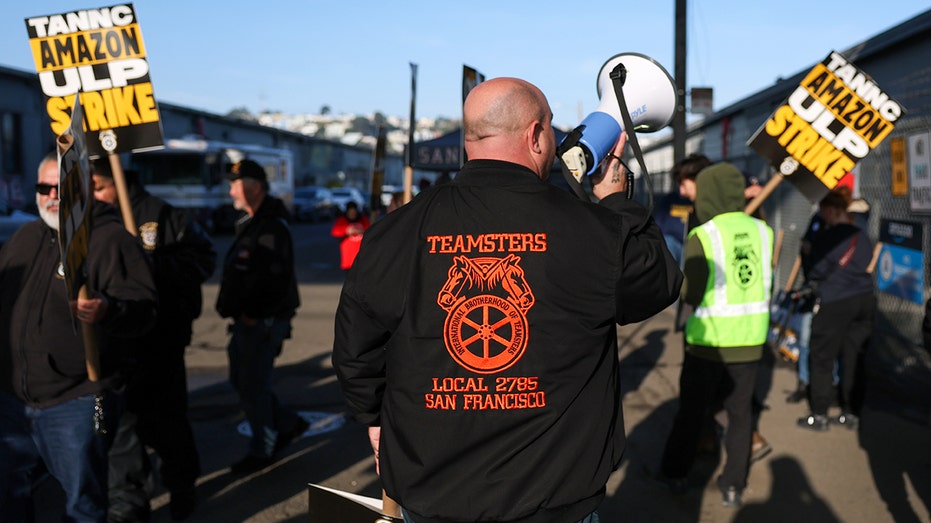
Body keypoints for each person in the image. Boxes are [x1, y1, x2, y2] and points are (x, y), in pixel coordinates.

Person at [332, 77, 682, 522]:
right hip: (553, 503)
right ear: (536, 135)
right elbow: (659, 282)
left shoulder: (394, 232)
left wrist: (375, 419)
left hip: (431, 497)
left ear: (470, 137)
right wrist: (615, 203)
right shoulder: (592, 230)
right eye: (551, 132)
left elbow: (355, 348)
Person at [0, 151, 158, 521]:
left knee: (82, 503)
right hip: (12, 400)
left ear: (85, 188)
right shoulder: (24, 237)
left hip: (77, 400)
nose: (52, 195)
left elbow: (146, 311)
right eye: (44, 187)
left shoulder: (110, 239)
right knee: (9, 493)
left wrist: (109, 310)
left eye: (62, 186)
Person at [92, 163, 216, 521]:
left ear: (117, 181)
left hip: (160, 340)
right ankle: (129, 501)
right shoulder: (93, 220)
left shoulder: (163, 215)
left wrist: (151, 264)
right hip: (115, 342)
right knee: (124, 426)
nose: (94, 195)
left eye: (99, 187)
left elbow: (203, 259)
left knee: (167, 421)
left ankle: (182, 486)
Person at [659, 162, 774, 508]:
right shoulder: (763, 231)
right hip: (751, 342)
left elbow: (690, 294)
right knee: (740, 417)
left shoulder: (703, 235)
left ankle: (676, 473)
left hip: (708, 344)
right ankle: (733, 485)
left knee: (692, 413)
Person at [215, 159, 308, 476]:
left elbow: (274, 279)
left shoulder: (269, 226)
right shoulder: (254, 222)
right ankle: (287, 423)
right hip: (249, 320)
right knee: (243, 381)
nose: (230, 190)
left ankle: (263, 448)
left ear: (253, 187)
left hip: (262, 322)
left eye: (235, 184)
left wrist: (254, 315)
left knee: (253, 386)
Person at [797, 186, 875, 431]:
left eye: (823, 213)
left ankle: (819, 414)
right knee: (854, 358)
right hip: (864, 299)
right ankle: (850, 412)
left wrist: (808, 253)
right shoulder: (861, 236)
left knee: (822, 357)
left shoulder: (829, 237)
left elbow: (815, 270)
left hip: (835, 300)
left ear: (831, 211)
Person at [330, 200, 370, 270]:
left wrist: (362, 231)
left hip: (362, 259)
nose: (352, 214)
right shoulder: (342, 220)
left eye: (354, 212)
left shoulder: (363, 219)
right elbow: (335, 232)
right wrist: (347, 230)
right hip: (349, 260)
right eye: (350, 212)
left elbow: (370, 229)